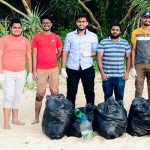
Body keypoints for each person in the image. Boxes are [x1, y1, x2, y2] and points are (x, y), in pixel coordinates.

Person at [0, 18, 33, 129]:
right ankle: (6, 122)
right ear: (10, 28)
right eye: (15, 27)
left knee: (17, 96)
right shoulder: (3, 40)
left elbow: (29, 57)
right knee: (8, 96)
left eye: (19, 28)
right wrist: (0, 73)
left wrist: (30, 73)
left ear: (21, 29)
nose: (17, 29)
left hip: (21, 72)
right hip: (7, 72)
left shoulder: (25, 41)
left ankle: (15, 119)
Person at [61, 13, 98, 107]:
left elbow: (96, 52)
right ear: (76, 23)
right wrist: (62, 68)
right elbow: (65, 52)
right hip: (72, 68)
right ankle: (70, 115)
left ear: (87, 23)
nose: (81, 23)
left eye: (83, 21)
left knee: (89, 92)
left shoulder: (93, 36)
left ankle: (90, 113)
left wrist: (89, 54)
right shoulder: (69, 36)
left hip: (87, 68)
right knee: (71, 93)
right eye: (79, 21)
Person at [32, 15, 62, 124]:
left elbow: (60, 52)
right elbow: (34, 54)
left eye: (48, 23)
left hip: (53, 68)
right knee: (40, 93)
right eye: (44, 23)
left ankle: (55, 116)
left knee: (55, 92)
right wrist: (34, 71)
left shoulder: (56, 37)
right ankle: (36, 117)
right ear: (41, 25)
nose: (46, 25)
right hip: (40, 69)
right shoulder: (36, 37)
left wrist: (54, 59)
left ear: (51, 24)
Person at [97, 23, 131, 102]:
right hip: (107, 76)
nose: (115, 31)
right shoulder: (103, 42)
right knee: (108, 99)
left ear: (120, 32)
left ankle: (120, 114)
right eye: (113, 30)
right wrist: (102, 74)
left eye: (117, 30)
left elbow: (128, 58)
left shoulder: (125, 43)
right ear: (110, 31)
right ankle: (107, 115)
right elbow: (99, 58)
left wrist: (127, 73)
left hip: (120, 76)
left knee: (120, 99)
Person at [130, 10, 150, 99]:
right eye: (145, 17)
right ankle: (137, 111)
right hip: (139, 64)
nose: (147, 19)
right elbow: (133, 50)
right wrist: (132, 67)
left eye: (149, 18)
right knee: (138, 89)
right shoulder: (135, 32)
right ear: (142, 19)